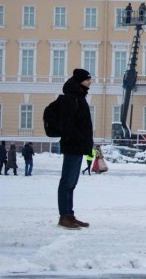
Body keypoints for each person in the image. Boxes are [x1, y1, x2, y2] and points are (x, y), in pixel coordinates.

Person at [57, 68, 94, 230]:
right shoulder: (72, 98)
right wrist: (79, 138)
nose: (90, 82)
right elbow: (68, 124)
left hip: (78, 146)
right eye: (87, 79)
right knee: (67, 181)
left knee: (72, 183)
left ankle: (69, 215)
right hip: (73, 145)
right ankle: (64, 216)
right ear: (80, 81)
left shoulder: (79, 97)